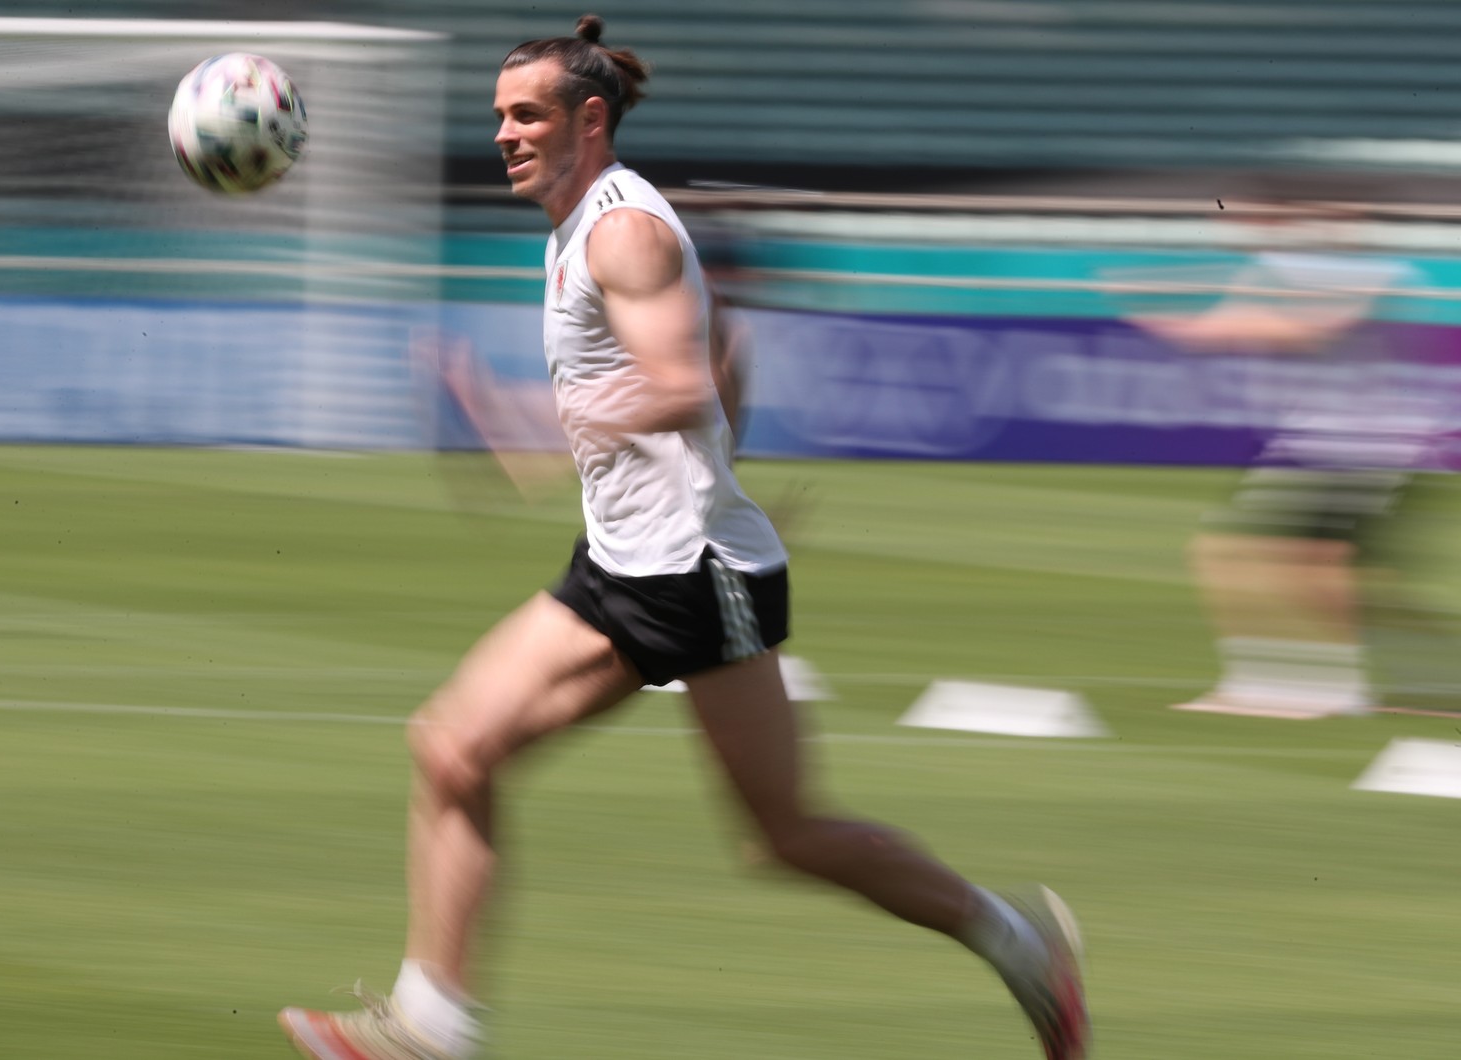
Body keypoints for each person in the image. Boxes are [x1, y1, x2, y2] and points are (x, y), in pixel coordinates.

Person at [278, 16, 1088, 1060]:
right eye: (498, 117)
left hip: (699, 580)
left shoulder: (624, 232)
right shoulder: (582, 225)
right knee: (451, 748)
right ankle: (432, 1029)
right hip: (624, 565)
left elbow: (681, 378)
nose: (505, 134)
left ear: (591, 118)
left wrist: (543, 420)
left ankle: (1021, 942)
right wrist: (705, 467)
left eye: (527, 115)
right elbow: (727, 348)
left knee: (786, 835)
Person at [1130, 189, 1433, 717]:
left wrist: (1175, 318)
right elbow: (1224, 329)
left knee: (1239, 555)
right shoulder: (1279, 267)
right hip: (1326, 440)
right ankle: (1336, 684)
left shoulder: (1371, 271)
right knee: (1313, 567)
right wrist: (1178, 322)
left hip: (1357, 443)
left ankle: (1271, 682)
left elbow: (1306, 331)